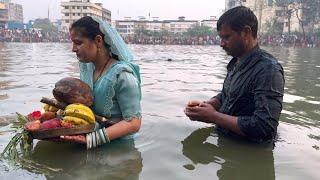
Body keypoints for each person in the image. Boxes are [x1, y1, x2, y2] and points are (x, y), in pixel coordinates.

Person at [184, 6, 285, 142]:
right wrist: (208, 106)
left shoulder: (268, 70)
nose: (221, 43)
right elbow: (227, 95)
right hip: (226, 145)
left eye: (226, 37)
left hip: (250, 154)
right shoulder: (235, 63)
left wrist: (213, 116)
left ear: (245, 32)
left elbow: (265, 128)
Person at [60, 16, 142, 149]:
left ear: (98, 40)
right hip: (87, 139)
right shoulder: (88, 68)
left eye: (78, 43)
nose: (73, 49)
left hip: (119, 150)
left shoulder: (123, 76)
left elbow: (134, 123)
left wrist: (92, 139)